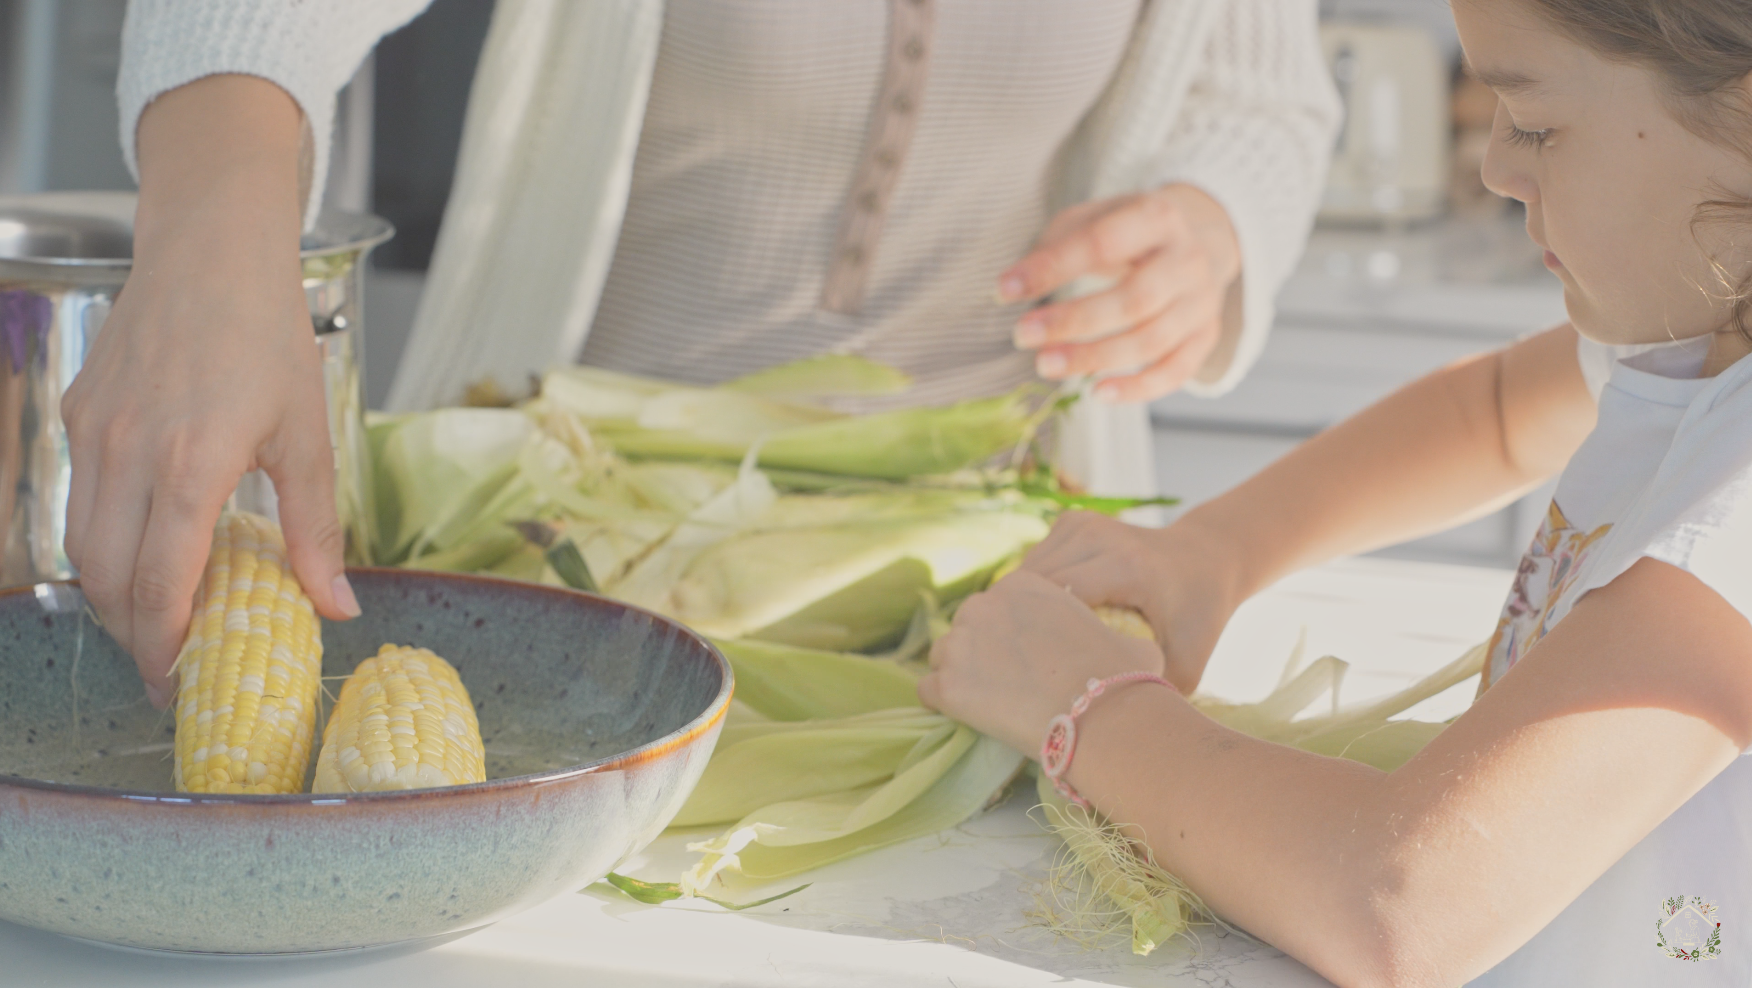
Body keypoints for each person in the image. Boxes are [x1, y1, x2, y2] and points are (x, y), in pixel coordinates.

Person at [72, 0, 1338, 706]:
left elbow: (1263, 102)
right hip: (568, 564)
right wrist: (209, 240)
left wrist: (1211, 232)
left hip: (1005, 591)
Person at [922, 0, 1752, 984]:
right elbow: (1489, 414)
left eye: (1534, 123)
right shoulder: (1694, 343)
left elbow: (1399, 902)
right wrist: (1212, 554)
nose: (1491, 165)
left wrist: (1086, 706)